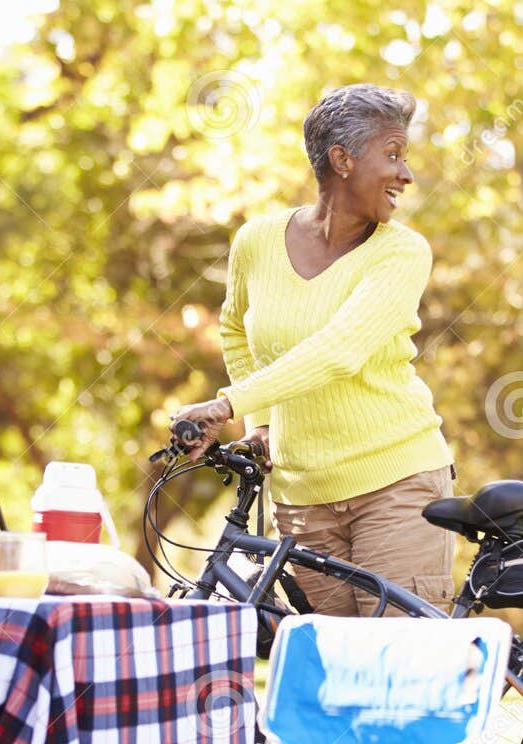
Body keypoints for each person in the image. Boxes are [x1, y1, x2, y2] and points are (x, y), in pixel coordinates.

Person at [170, 83, 456, 616]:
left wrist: (228, 403)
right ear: (342, 159)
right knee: (330, 669)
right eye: (392, 156)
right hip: (302, 501)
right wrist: (258, 422)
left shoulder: (402, 253)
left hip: (396, 485)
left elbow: (340, 350)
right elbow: (235, 329)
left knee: (398, 669)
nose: (407, 174)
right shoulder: (256, 241)